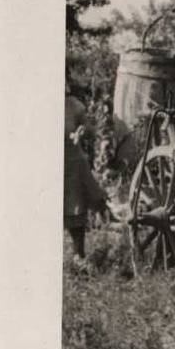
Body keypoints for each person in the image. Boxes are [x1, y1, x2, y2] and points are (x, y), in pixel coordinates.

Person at [64, 86, 110, 263]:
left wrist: (82, 130)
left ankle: (78, 253)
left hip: (72, 160)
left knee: (75, 206)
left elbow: (89, 128)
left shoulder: (73, 105)